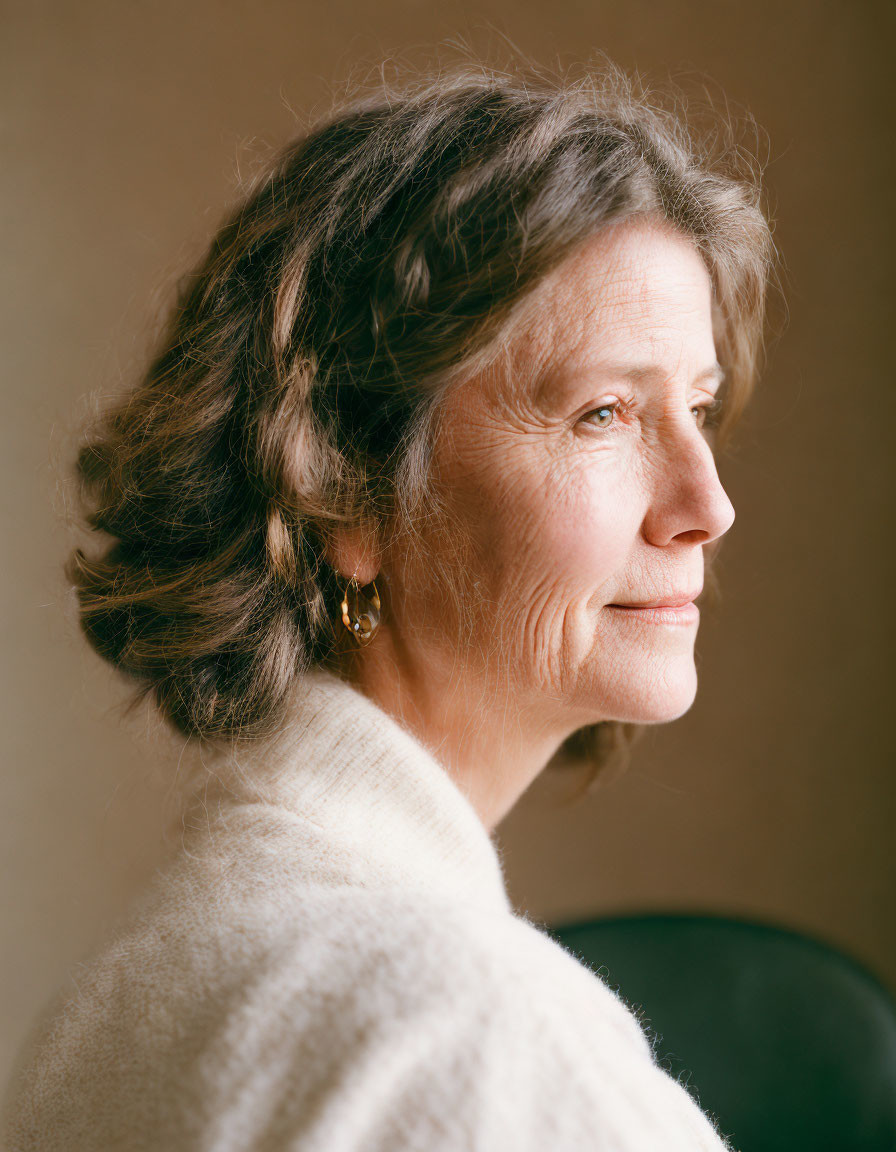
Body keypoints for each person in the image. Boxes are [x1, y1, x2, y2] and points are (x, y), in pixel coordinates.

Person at [2, 56, 773, 1151]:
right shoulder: (476, 1044)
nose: (707, 505)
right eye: (601, 413)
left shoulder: (112, 1007)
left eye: (694, 407)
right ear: (343, 488)